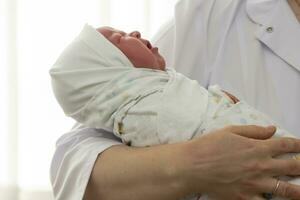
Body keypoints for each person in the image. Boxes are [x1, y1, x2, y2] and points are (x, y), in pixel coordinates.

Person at [49, 0, 300, 200]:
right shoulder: (208, 16)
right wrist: (196, 165)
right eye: (117, 38)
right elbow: (75, 163)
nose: (134, 34)